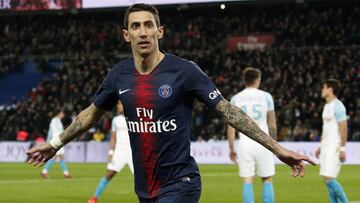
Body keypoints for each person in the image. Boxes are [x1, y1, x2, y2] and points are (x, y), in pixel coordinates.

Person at [27, 3, 315, 203]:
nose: (143, 32)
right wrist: (54, 145)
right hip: (145, 186)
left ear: (159, 32)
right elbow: (90, 115)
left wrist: (277, 148)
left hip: (182, 182)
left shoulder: (185, 71)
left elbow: (228, 110)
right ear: (126, 34)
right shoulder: (118, 75)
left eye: (148, 25)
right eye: (136, 26)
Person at [227, 67, 277, 203]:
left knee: (247, 180)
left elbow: (231, 128)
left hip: (245, 143)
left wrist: (231, 148)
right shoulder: (266, 96)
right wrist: (275, 146)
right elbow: (272, 124)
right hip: (264, 142)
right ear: (258, 80)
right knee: (267, 178)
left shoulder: (236, 98)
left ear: (245, 80)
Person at [88, 101, 134, 203]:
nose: (117, 106)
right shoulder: (116, 120)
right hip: (119, 151)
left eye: (119, 104)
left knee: (142, 178)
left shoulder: (135, 117)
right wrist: (111, 152)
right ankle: (94, 198)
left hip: (133, 152)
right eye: (117, 104)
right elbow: (113, 137)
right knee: (109, 174)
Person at [315, 79, 349, 203]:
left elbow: (344, 128)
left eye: (324, 88)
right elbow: (326, 129)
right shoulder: (326, 106)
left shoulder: (338, 106)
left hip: (334, 146)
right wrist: (320, 146)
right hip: (326, 146)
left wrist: (342, 149)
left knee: (329, 178)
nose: (322, 90)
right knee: (326, 179)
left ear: (330, 89)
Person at [41, 109, 71, 178]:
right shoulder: (54, 121)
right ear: (59, 113)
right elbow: (51, 132)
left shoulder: (58, 121)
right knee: (55, 157)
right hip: (56, 141)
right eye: (62, 113)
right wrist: (48, 141)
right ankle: (44, 172)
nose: (63, 115)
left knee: (61, 157)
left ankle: (66, 173)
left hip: (60, 141)